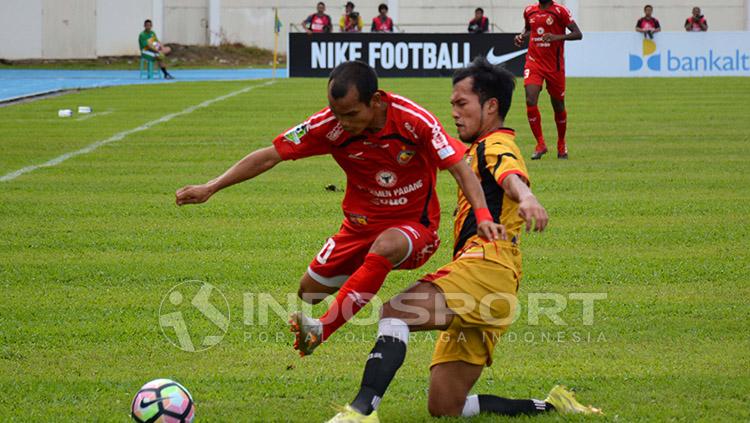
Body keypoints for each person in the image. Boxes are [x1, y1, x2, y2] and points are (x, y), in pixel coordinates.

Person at [321, 57, 601, 422]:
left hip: (486, 266)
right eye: (452, 104)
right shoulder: (472, 149)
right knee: (445, 406)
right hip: (497, 281)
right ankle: (553, 404)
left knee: (395, 312)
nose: (453, 112)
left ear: (491, 106)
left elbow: (510, 174)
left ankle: (360, 411)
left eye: (461, 104)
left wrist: (527, 197)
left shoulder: (495, 144)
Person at [175, 61, 499, 355]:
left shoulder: (415, 122)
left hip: (415, 228)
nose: (342, 122)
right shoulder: (329, 125)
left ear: (375, 101)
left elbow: (459, 166)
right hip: (358, 228)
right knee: (309, 292)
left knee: (386, 246)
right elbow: (270, 154)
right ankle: (368, 272)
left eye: (350, 114)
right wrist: (211, 186)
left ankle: (322, 328)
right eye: (336, 112)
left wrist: (483, 215)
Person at [514, 0, 582, 160]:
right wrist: (521, 36)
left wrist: (556, 37)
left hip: (555, 66)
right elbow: (529, 29)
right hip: (534, 62)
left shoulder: (560, 11)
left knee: (558, 105)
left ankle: (561, 143)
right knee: (530, 100)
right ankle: (540, 144)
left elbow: (578, 34)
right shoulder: (529, 10)